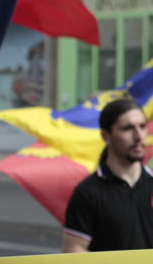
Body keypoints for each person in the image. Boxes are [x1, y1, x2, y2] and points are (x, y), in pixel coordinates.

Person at [63, 99, 153, 252]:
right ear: (106, 136)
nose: (139, 136)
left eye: (142, 126)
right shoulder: (87, 192)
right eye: (128, 128)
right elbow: (74, 251)